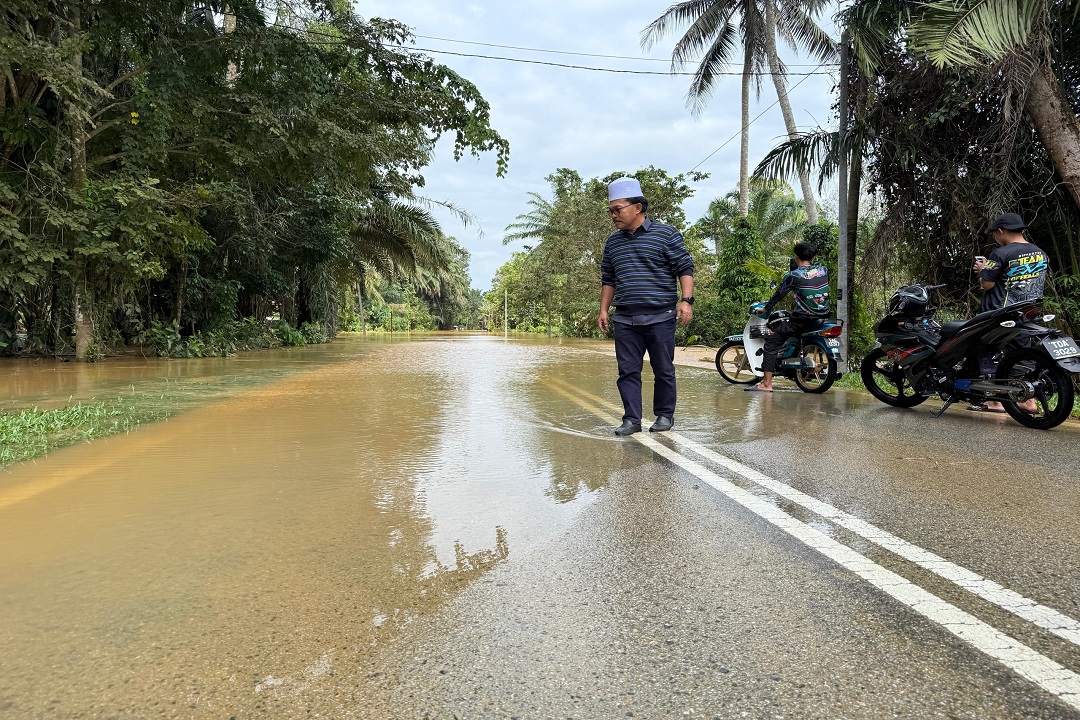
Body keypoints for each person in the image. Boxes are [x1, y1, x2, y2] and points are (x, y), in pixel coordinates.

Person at [598, 177, 695, 436]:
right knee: (627, 371)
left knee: (663, 369)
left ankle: (664, 415)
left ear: (637, 207)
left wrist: (686, 301)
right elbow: (608, 279)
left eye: (617, 209)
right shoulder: (613, 243)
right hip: (625, 319)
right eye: (611, 211)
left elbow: (684, 268)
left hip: (661, 316)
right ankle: (632, 419)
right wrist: (604, 310)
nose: (613, 215)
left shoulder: (666, 234)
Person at [970, 212, 1049, 412]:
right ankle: (1028, 400)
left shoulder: (1001, 253)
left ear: (1001, 231)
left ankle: (996, 400)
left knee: (985, 350)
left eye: (994, 234)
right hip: (1027, 311)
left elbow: (987, 284)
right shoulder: (1040, 253)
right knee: (1020, 354)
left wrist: (983, 270)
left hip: (1000, 312)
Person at [747, 242, 831, 393]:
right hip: (823, 316)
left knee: (772, 343)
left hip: (803, 319)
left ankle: (766, 384)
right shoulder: (823, 270)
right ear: (813, 256)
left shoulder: (793, 275)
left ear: (796, 257)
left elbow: (778, 295)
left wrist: (765, 309)